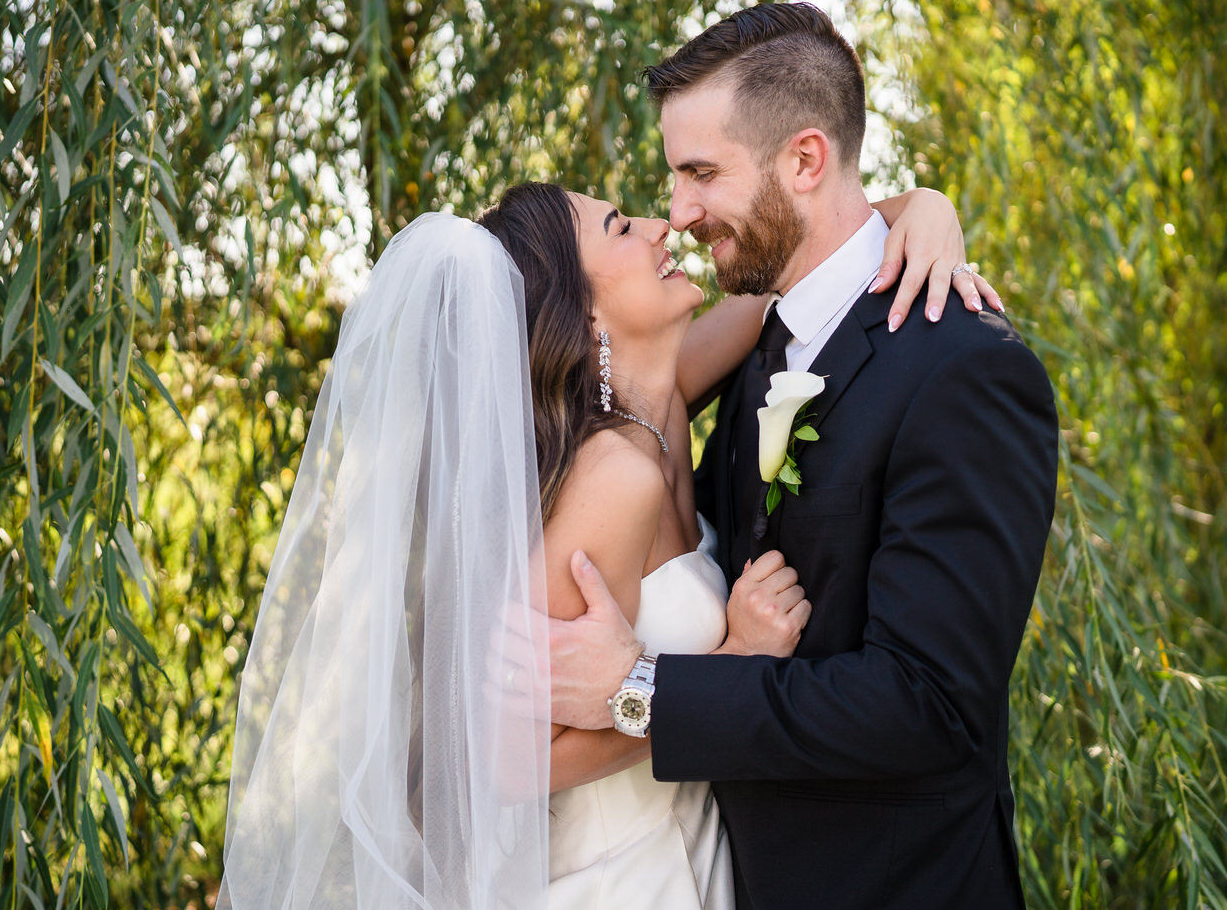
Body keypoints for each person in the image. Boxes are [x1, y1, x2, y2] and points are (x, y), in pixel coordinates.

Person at [215, 172, 992, 905]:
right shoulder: (611, 476)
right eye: (621, 227)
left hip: (686, 841)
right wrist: (729, 664)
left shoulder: (666, 398)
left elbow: (810, 266)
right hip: (613, 873)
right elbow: (497, 759)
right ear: (586, 315)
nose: (661, 225)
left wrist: (923, 207)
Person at [547, 4, 1060, 909]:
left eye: (702, 173)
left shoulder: (966, 369)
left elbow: (929, 704)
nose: (679, 212)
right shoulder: (757, 350)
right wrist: (923, 203)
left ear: (806, 160)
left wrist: (641, 693)